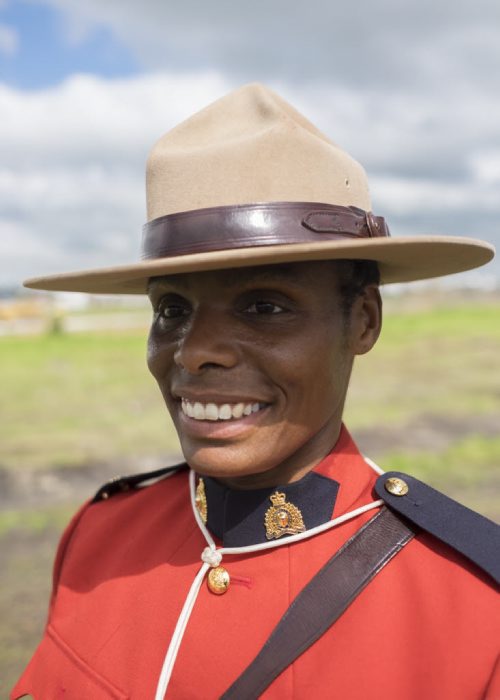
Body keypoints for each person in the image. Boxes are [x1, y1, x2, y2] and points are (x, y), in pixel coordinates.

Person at [12, 83, 499, 700]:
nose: (192, 351)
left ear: (364, 322)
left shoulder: (476, 611)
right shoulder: (100, 536)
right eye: (171, 309)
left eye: (264, 305)